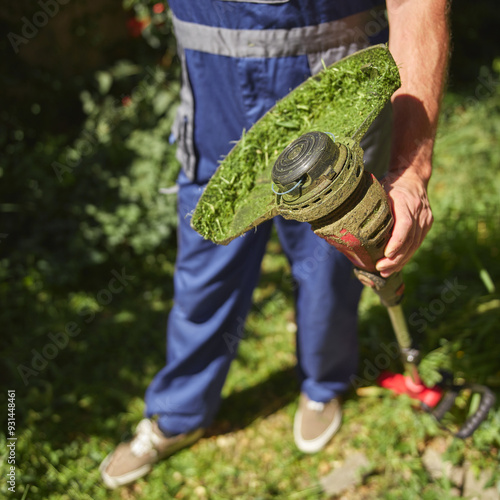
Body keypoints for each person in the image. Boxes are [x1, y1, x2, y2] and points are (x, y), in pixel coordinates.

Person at [100, 0, 449, 489]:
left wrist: (410, 172)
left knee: (328, 268)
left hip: (332, 95)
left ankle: (323, 383)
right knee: (204, 276)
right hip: (214, 92)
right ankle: (179, 413)